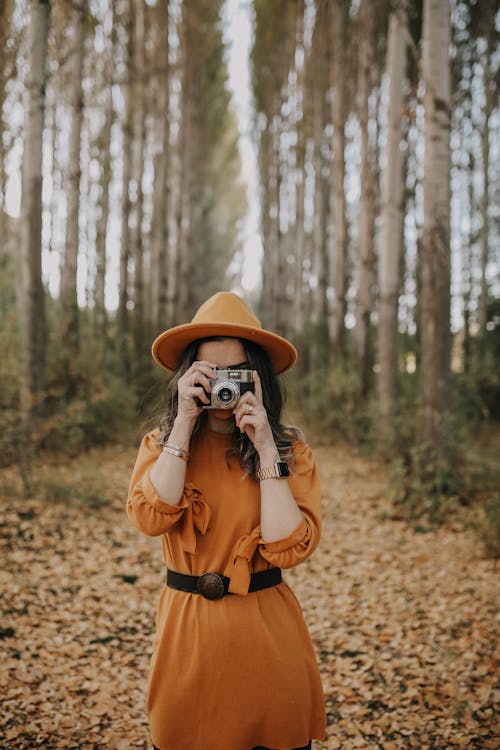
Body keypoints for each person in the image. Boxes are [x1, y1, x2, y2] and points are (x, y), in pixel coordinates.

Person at [127, 291, 326, 750]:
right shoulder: (161, 446)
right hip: (186, 647)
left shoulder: (290, 454)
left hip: (270, 650)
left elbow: (287, 548)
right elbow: (150, 517)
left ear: (257, 379)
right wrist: (182, 422)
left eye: (234, 374)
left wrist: (265, 449)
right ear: (185, 376)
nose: (221, 386)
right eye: (209, 372)